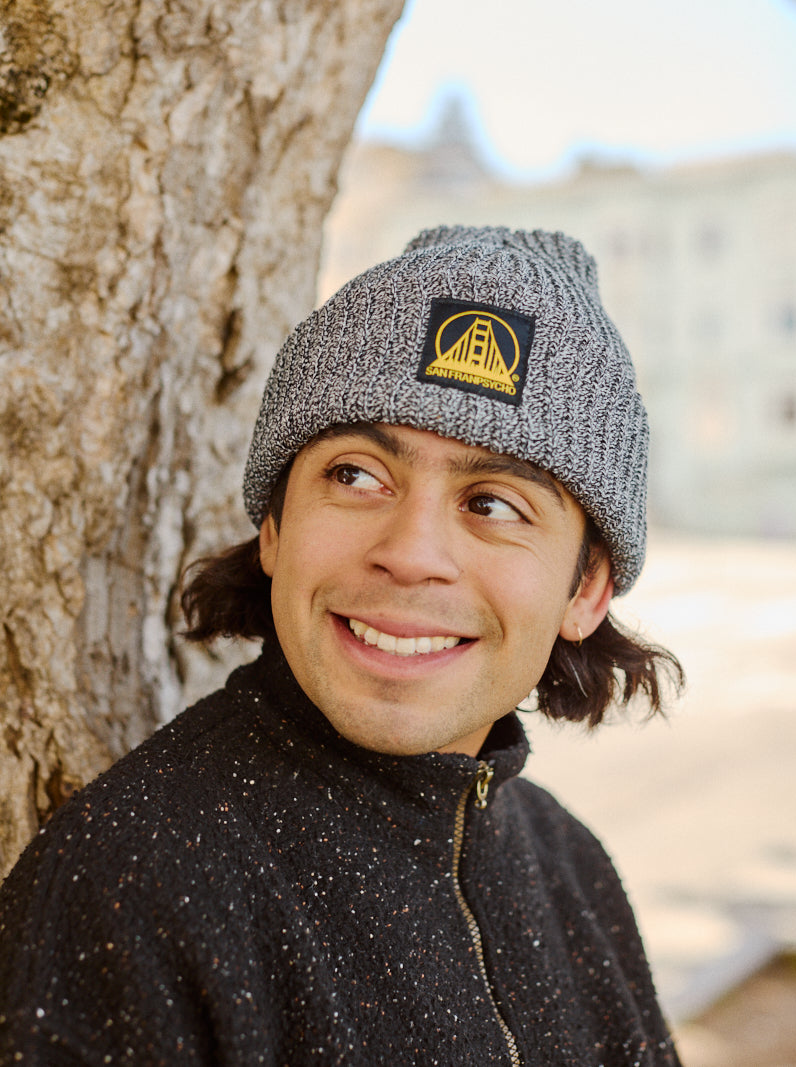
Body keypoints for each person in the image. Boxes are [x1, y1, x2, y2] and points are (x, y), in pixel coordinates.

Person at [0, 226, 684, 1065]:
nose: (411, 551)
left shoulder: (573, 869)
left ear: (585, 590)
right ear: (276, 528)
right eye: (356, 475)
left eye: (494, 502)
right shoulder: (133, 880)